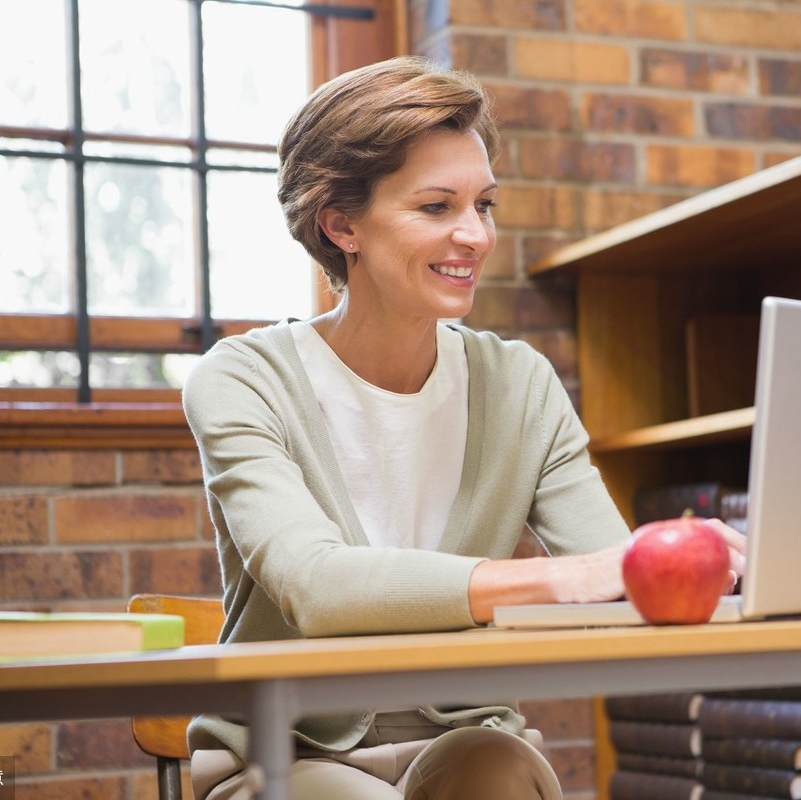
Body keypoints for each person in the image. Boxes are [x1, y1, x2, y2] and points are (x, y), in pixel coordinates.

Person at [181, 55, 747, 800]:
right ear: (341, 223)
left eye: (484, 204)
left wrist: (708, 565)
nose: (475, 236)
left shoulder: (518, 383)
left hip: (468, 744)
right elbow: (316, 585)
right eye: (437, 206)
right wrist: (565, 579)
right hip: (287, 754)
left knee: (499, 776)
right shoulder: (242, 379)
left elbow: (615, 575)